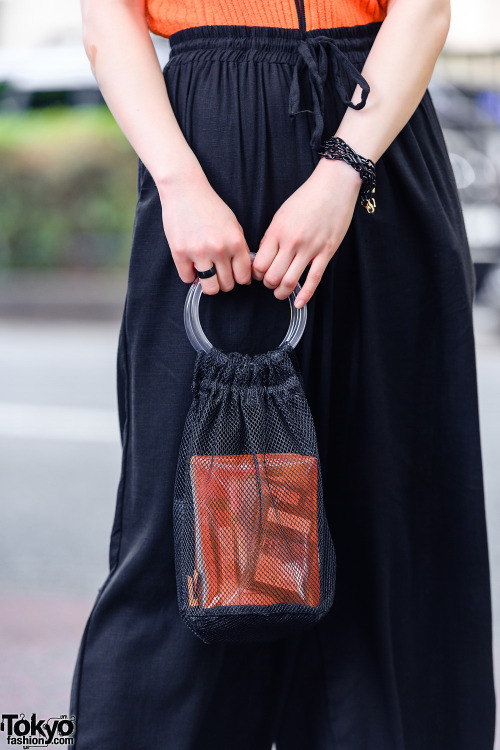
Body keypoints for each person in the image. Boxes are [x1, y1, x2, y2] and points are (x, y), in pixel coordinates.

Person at [69, 0, 497, 747]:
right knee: (188, 520)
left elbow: (424, 8)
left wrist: (342, 171)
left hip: (377, 157)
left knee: (390, 514)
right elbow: (108, 22)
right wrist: (177, 182)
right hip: (209, 158)